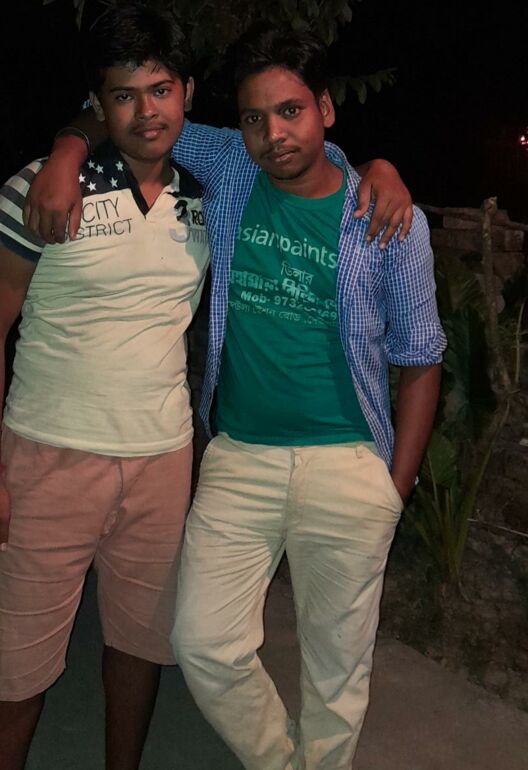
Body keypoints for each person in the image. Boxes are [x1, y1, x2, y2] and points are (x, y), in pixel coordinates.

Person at [25, 20, 446, 770]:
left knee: (337, 668)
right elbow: (127, 113)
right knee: (202, 641)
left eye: (291, 111)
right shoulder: (230, 165)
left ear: (325, 109)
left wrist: (395, 486)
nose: (273, 134)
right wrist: (65, 153)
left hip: (348, 464)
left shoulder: (388, 220)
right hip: (240, 457)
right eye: (254, 117)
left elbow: (420, 358)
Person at [0, 6, 209, 769]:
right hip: (49, 458)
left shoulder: (209, 197)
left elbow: (305, 157)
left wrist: (380, 172)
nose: (147, 111)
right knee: (18, 661)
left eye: (161, 90)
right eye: (124, 95)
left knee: (140, 645)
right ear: (98, 103)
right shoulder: (39, 191)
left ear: (188, 93)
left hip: (163, 460)